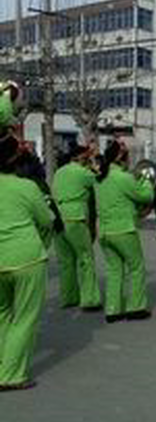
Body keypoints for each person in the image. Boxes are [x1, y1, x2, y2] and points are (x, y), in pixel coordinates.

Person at [0, 135, 53, 391]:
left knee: (1, 315)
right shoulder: (28, 187)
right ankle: (11, 375)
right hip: (26, 259)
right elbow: (46, 220)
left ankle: (3, 363)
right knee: (24, 318)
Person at [95, 140, 153, 323]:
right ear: (121, 157)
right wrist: (146, 180)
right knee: (136, 267)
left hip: (104, 231)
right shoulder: (123, 177)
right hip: (123, 230)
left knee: (114, 270)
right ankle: (135, 307)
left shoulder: (99, 178)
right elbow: (145, 195)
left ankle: (113, 309)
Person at [52, 143, 101, 311]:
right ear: (83, 157)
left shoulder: (59, 172)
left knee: (65, 261)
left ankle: (68, 297)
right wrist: (93, 163)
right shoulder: (83, 173)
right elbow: (100, 178)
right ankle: (89, 299)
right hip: (76, 216)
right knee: (85, 258)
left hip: (58, 216)